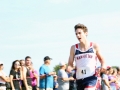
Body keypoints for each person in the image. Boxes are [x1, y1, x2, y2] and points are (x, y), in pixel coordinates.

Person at [67, 23, 106, 90]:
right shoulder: (73, 48)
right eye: (76, 34)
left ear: (86, 33)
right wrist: (69, 68)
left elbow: (102, 59)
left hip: (92, 77)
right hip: (79, 79)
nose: (78, 35)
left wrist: (103, 66)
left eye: (79, 33)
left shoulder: (94, 46)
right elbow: (70, 64)